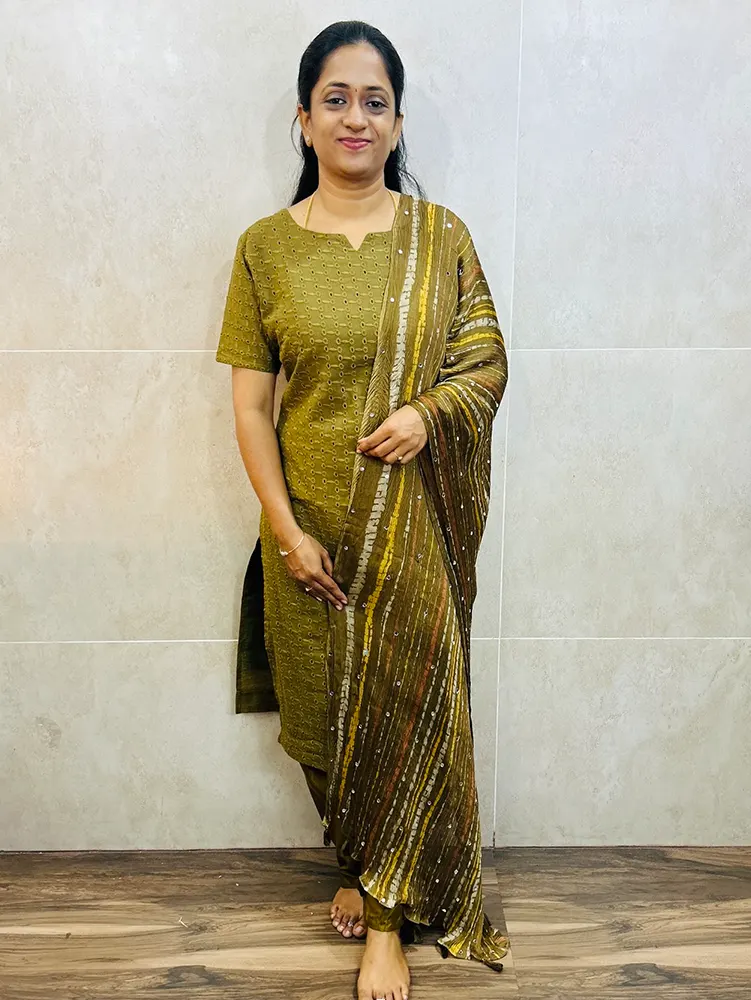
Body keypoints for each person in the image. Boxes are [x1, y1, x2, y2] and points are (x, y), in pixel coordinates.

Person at [216, 20, 510, 1000]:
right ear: (304, 120)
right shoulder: (263, 249)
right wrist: (285, 529)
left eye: (374, 101)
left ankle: (385, 921)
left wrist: (429, 414)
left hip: (413, 535)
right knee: (323, 721)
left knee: (408, 709)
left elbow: (484, 362)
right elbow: (250, 408)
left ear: (397, 121)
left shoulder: (441, 237)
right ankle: (363, 860)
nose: (356, 117)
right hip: (309, 532)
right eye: (335, 98)